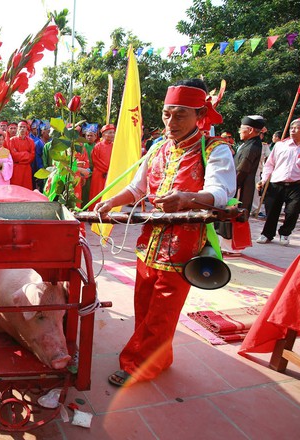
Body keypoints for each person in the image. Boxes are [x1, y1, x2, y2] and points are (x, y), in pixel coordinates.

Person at [94, 79, 236, 386]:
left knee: (163, 309)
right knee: (143, 304)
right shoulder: (157, 148)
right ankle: (159, 356)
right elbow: (137, 187)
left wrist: (188, 197)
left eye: (180, 115)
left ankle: (139, 365)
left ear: (200, 116)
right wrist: (112, 201)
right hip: (149, 241)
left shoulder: (214, 149)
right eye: (167, 114)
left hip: (185, 246)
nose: (171, 122)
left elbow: (221, 193)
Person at [255, 116, 300, 246]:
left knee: (293, 210)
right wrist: (264, 179)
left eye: (297, 128)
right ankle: (267, 234)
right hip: (276, 183)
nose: (293, 130)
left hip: (297, 184)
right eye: (291, 127)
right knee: (271, 211)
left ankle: (285, 233)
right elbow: (269, 164)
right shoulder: (280, 145)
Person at [234, 115, 265, 212]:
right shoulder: (250, 143)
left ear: (250, 130)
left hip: (241, 188)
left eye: (241, 129)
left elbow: (242, 170)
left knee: (235, 218)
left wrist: (231, 185)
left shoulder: (251, 147)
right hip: (242, 185)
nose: (239, 131)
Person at [88, 124, 115, 210]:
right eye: (110, 133)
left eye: (113, 133)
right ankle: (94, 212)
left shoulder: (114, 146)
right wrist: (107, 170)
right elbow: (96, 161)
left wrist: (111, 171)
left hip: (110, 173)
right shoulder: (98, 146)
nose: (112, 135)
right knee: (97, 193)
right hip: (99, 174)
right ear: (103, 134)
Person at [7, 120, 35, 189]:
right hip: (16, 169)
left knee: (27, 189)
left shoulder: (31, 141)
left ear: (26, 129)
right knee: (16, 189)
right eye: (20, 127)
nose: (22, 129)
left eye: (24, 127)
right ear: (18, 128)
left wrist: (19, 155)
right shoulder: (12, 140)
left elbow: (32, 156)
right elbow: (13, 156)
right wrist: (26, 153)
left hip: (27, 169)